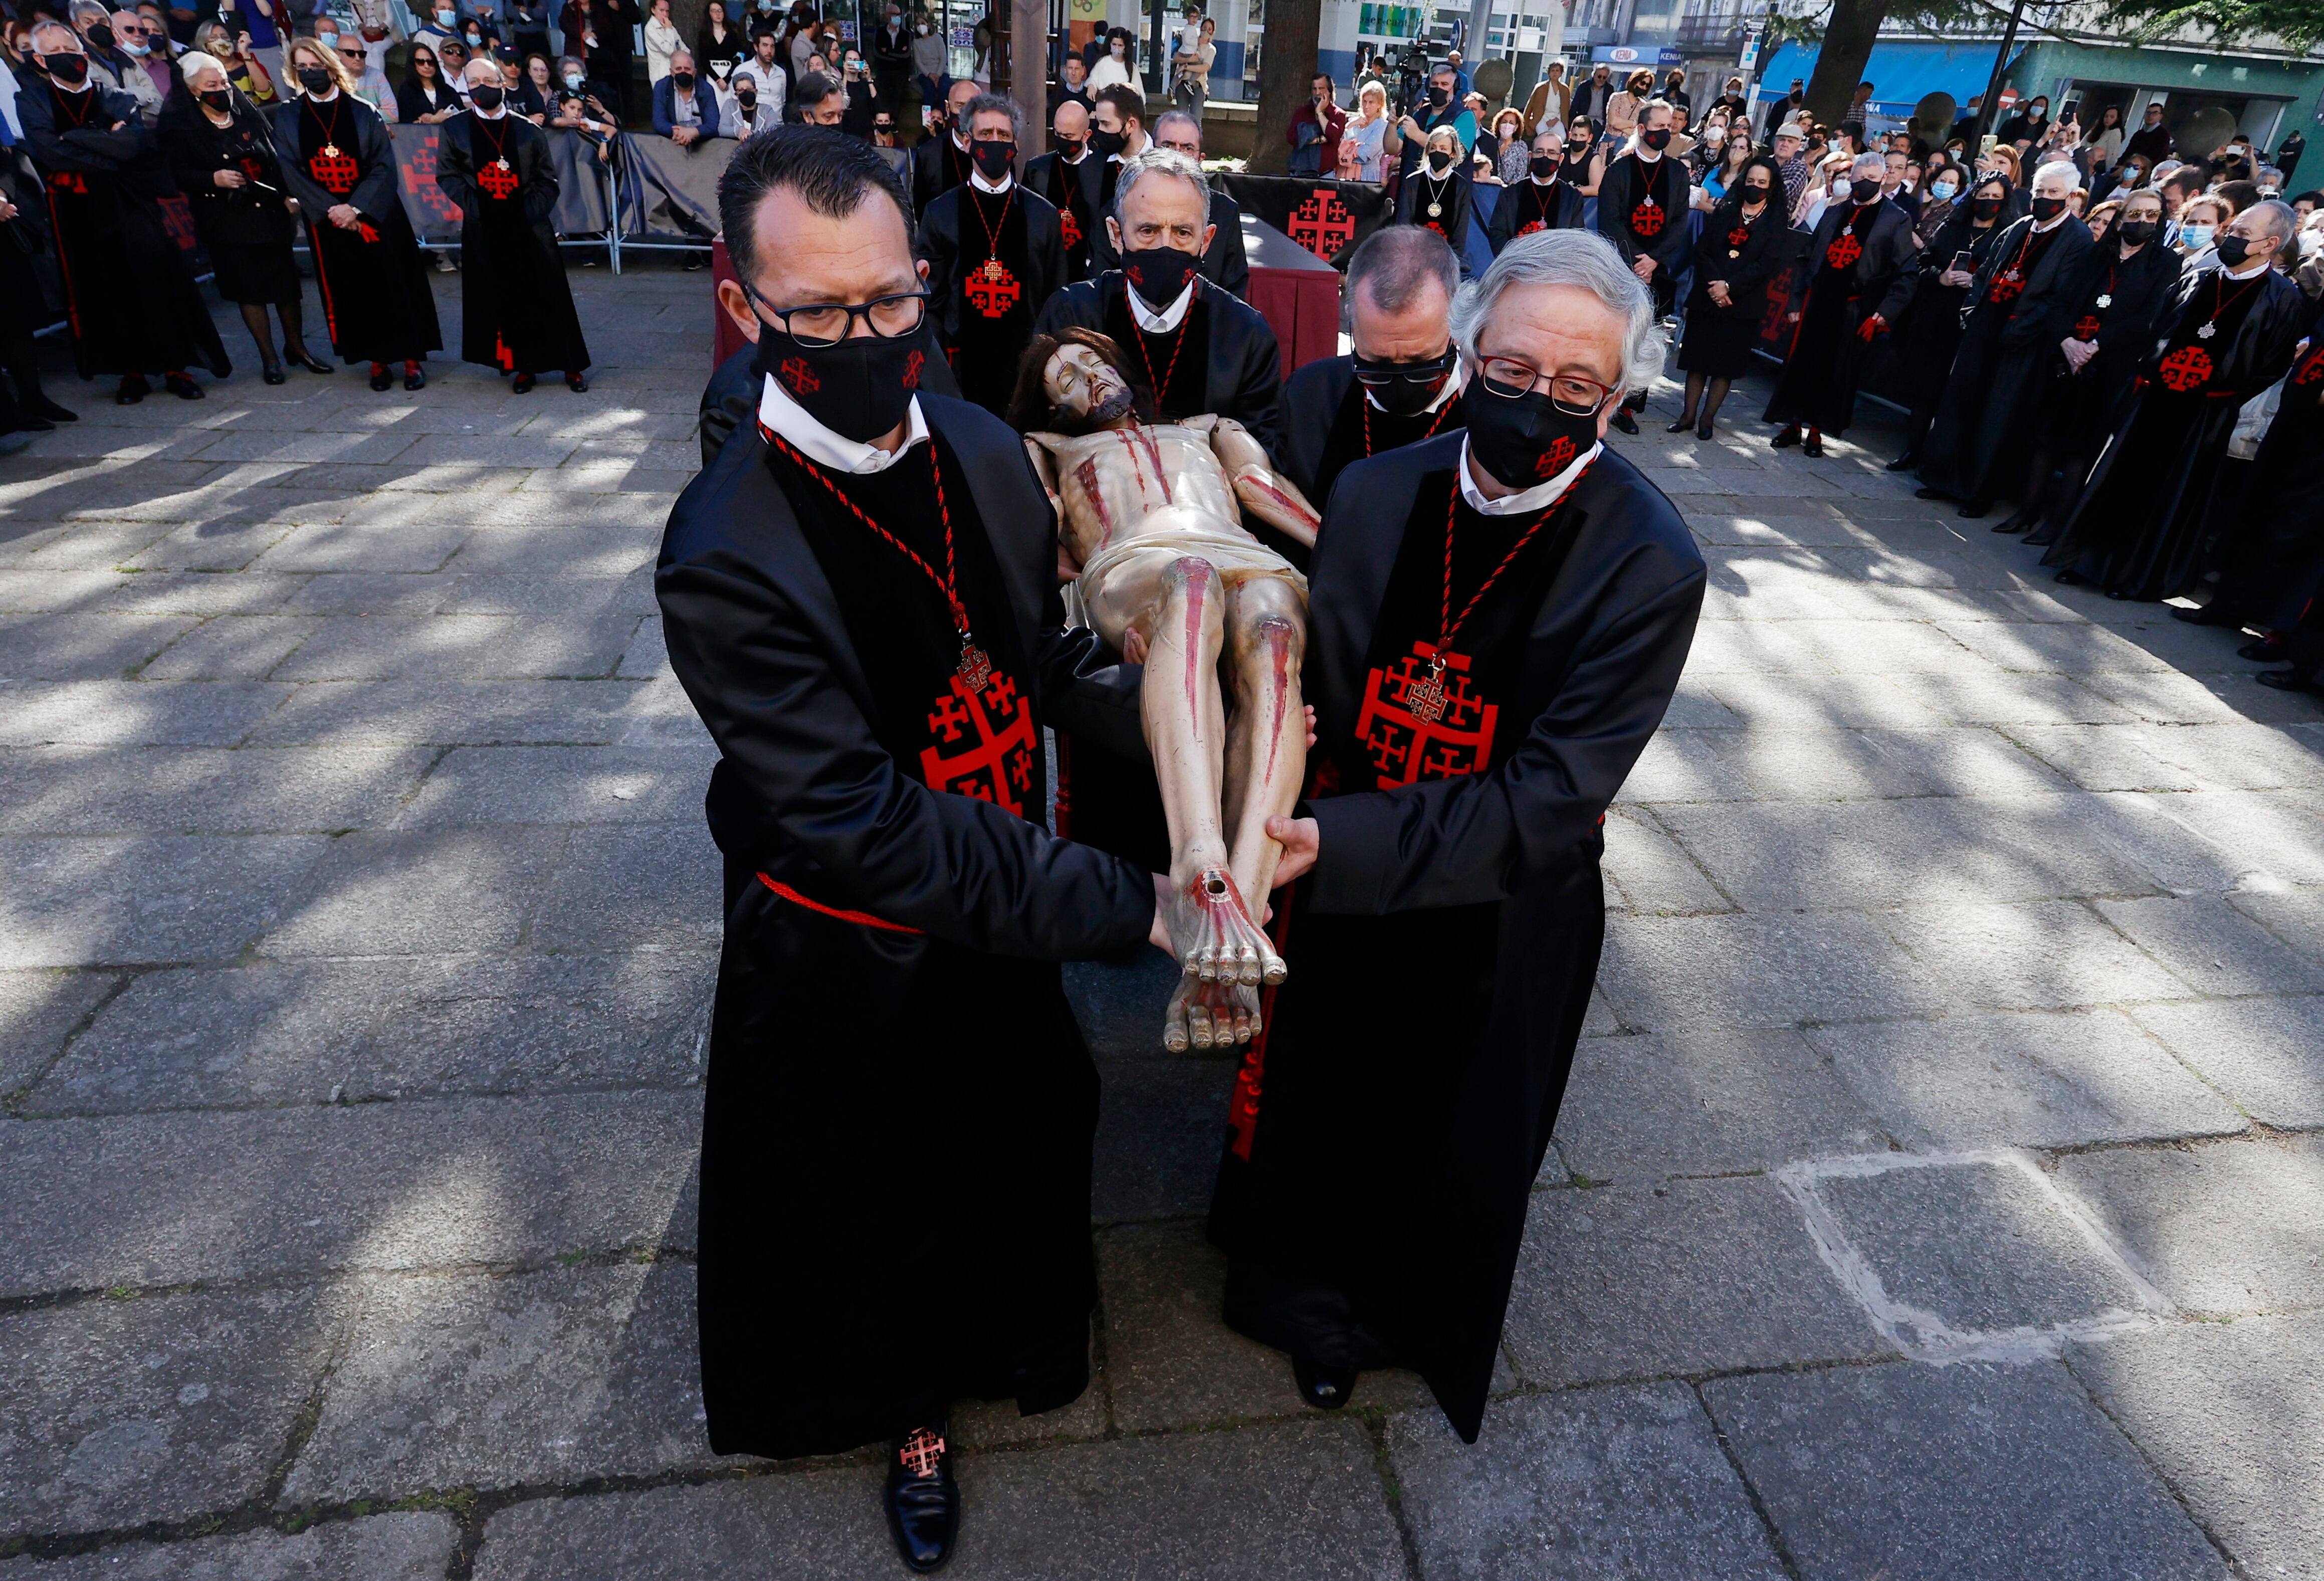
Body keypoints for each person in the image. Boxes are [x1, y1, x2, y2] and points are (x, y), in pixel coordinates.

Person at [668, 125, 1169, 1580]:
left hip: (1007, 881)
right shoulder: (723, 545)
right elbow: (861, 824)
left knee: (1017, 1119)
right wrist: (1134, 903)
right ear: (745, 300)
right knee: (871, 1181)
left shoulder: (971, 444)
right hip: (851, 936)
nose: (863, 337)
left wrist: (1184, 712)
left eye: (888, 301)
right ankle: (906, 1412)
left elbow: (1035, 658)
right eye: (816, 313)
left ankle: (1017, 1329)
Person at [1211, 226, 1703, 1436]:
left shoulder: (1650, 559)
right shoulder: (1381, 490)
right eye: (1514, 368)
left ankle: (1380, 1316)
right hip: (1341, 867)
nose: (1536, 401)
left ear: (1618, 395)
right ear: (1472, 351)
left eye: (1576, 385)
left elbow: (1553, 794)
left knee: (1439, 1129)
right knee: (1323, 1089)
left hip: (1497, 906)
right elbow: (1309, 688)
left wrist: (1346, 838)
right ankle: (1302, 1294)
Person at [2042, 200, 2305, 601]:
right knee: (2120, 480)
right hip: (2155, 399)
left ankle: (2132, 576)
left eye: (2241, 235)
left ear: (2269, 244)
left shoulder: (2281, 297)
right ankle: (2089, 561)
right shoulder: (2198, 278)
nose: (2229, 238)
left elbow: (2271, 363)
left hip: (2203, 414)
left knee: (2167, 495)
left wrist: (2219, 394)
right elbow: (2159, 328)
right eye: (2231, 230)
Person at [20, 18, 228, 404]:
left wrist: (79, 138)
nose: (66, 58)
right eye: (54, 54)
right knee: (105, 291)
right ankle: (130, 372)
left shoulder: (114, 95)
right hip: (79, 211)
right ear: (41, 61)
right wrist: (104, 142)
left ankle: (177, 367)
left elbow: (131, 146)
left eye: (70, 50)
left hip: (131, 203)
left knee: (159, 280)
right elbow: (49, 151)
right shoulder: (31, 99)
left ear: (83, 52)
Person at [1034, 148, 1280, 446]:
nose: (1166, 247)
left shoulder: (1245, 335)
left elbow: (1261, 452)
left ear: (1206, 241)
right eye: (1148, 230)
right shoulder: (1071, 316)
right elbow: (1041, 433)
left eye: (1183, 232)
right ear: (1116, 234)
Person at [1915, 159, 2096, 517]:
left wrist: (2020, 329)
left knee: (1996, 418)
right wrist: (1972, 311)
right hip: (1985, 328)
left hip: (2025, 341)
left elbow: (2061, 296)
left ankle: (1977, 492)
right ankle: (1941, 477)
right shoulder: (2019, 227)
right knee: (1960, 403)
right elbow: (1985, 273)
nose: (2044, 199)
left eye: (2053, 193)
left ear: (2071, 196)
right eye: (2039, 191)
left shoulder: (2078, 238)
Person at [1274, 225, 1465, 555]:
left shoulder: (1487, 409)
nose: (1399, 381)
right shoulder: (1309, 396)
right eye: (1376, 364)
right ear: (1349, 316)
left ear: (1457, 321)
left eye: (1421, 364)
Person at [2006, 187, 2182, 544]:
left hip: (2111, 365)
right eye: (2134, 214)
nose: (2142, 221)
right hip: (2066, 357)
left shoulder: (2164, 262)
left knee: (2080, 448)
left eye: (2151, 215)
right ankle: (2026, 512)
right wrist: (2069, 341)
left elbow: (2149, 318)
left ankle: (2056, 525)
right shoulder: (2094, 255)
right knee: (2045, 436)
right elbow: (2060, 303)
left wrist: (2096, 346)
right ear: (2120, 220)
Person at [273, 33, 442, 391]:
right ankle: (377, 360)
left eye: (315, 65)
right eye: (301, 67)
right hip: (328, 221)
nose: (309, 72)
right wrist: (331, 210)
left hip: (375, 214)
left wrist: (356, 207)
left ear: (330, 68)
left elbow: (383, 166)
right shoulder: (288, 116)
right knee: (356, 291)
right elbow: (290, 170)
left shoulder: (363, 110)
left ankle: (411, 359)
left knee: (395, 284)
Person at [163, 50, 327, 385]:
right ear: (194, 89)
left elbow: (275, 156)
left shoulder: (245, 113)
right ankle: (269, 359)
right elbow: (176, 173)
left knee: (285, 287)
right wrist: (212, 179)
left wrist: (288, 194)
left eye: (223, 82)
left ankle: (297, 348)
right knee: (250, 291)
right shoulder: (181, 126)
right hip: (227, 218)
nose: (221, 89)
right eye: (212, 84)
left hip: (269, 212)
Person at [437, 56, 590, 393]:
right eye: (474, 82)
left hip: (530, 225)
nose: (482, 88)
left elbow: (546, 180)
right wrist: (481, 209)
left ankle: (570, 364)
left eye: (489, 82)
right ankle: (524, 366)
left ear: (502, 85)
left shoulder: (527, 130)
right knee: (505, 297)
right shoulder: (455, 129)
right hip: (484, 226)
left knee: (550, 294)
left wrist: (526, 213)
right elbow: (448, 176)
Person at [1762, 151, 1918, 457]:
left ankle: (1818, 431)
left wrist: (1883, 314)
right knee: (1802, 365)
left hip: (1853, 309)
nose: (1865, 184)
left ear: (1883, 179)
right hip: (1816, 302)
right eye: (1860, 178)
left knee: (1834, 371)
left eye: (1872, 179)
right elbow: (1807, 258)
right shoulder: (1834, 212)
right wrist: (1796, 300)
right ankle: (1793, 424)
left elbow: (1906, 274)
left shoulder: (1896, 219)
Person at [919, 93, 1065, 414]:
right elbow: (932, 302)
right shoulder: (941, 212)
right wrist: (940, 372)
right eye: (986, 135)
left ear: (1015, 145)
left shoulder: (1042, 215)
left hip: (1026, 370)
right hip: (960, 368)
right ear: (968, 141)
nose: (995, 142)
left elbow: (1055, 296)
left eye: (1004, 135)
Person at [1886, 173, 2012, 472]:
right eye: (1984, 197)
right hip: (1937, 321)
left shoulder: (2007, 236)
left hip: (1973, 328)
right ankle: (1913, 450)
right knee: (1924, 392)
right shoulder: (1953, 227)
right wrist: (1942, 277)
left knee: (1956, 398)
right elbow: (1921, 266)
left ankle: (1940, 460)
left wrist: (1977, 282)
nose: (1989, 204)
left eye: (1996, 199)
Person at [1671, 153, 1784, 439]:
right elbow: (1703, 249)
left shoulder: (1775, 221)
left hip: (1742, 303)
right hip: (1708, 295)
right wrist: (1715, 285)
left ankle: (1707, 420)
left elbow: (1766, 265)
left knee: (1724, 366)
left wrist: (1729, 287)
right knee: (1697, 360)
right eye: (1751, 180)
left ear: (1770, 187)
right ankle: (1687, 416)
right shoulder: (1727, 209)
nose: (1755, 186)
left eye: (1762, 182)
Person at [1593, 98, 1687, 432]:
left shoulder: (1677, 173)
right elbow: (1610, 219)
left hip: (1656, 267)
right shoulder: (1619, 170)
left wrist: (1655, 259)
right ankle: (1603, 396)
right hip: (1623, 266)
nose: (1666, 131)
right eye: (1659, 126)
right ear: (1642, 129)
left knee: (1646, 335)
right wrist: (1635, 261)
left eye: (1670, 126)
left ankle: (1630, 407)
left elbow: (1679, 221)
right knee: (1617, 334)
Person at [1139, 108, 1247, 297]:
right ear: (1152, 152)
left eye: (1188, 148)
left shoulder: (1225, 212)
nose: (1177, 155)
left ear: (1200, 159)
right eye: (1168, 146)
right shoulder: (1127, 206)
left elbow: (1234, 287)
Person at [1026, 97, 1099, 279]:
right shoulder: (1037, 169)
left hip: (1086, 272)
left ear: (1086, 136)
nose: (1062, 141)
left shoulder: (1101, 172)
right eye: (1058, 134)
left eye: (1068, 137)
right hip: (1046, 268)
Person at [1485, 123, 1583, 255]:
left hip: (1555, 270)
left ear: (1561, 159)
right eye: (1540, 151)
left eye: (1552, 153)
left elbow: (1575, 240)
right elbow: (1498, 233)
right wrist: (1513, 261)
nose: (1545, 157)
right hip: (1516, 266)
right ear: (1530, 156)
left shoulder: (1572, 198)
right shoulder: (1510, 194)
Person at [1397, 124, 1472, 258]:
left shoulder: (1461, 186)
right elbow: (1404, 223)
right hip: (1414, 255)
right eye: (1433, 148)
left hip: (1445, 258)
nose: (1437, 152)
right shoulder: (1413, 181)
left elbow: (1460, 231)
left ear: (1453, 153)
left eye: (1443, 149)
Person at [1394, 62, 1472, 186]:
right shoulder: (1420, 115)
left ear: (1455, 87)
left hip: (1447, 190)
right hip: (1413, 188)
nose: (1439, 88)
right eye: (1435, 84)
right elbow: (1393, 148)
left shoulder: (1465, 116)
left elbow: (1457, 152)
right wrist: (1392, 124)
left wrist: (1417, 135)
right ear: (1428, 86)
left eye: (1444, 84)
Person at [559, 0, 637, 120]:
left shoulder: (599, 5)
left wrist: (595, 34)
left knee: (603, 90)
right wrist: (582, 34)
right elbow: (565, 25)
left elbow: (608, 26)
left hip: (598, 57)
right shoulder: (570, 7)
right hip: (578, 53)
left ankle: (608, 118)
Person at [911, 76, 978, 214]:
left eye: (972, 107)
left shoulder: (994, 150)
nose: (966, 114)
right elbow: (922, 210)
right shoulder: (928, 154)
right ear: (948, 108)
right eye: (960, 106)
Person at [654, 47, 721, 143]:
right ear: (672, 72)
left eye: (687, 69)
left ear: (694, 73)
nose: (683, 72)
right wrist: (680, 133)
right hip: (673, 143)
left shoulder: (706, 89)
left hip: (703, 144)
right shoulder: (661, 88)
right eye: (678, 69)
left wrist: (694, 132)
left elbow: (713, 124)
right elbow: (659, 122)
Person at [1288, 72, 1344, 177]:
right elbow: (1291, 137)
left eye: (1321, 88)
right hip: (1301, 173)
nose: (1317, 92)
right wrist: (1318, 140)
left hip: (1326, 175)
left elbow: (1335, 137)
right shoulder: (1302, 112)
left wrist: (1320, 113)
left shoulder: (1338, 114)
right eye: (1314, 89)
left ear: (1329, 91)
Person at [397, 41, 461, 120]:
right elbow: (405, 123)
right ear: (413, 64)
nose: (427, 66)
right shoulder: (406, 90)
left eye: (430, 62)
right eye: (420, 62)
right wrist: (433, 120)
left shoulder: (448, 91)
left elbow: (462, 116)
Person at [1342, 78, 1391, 181]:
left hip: (1368, 178)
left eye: (1371, 102)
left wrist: (1348, 151)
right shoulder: (1354, 122)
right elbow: (1340, 146)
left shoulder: (1383, 126)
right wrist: (1352, 124)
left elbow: (1366, 154)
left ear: (1380, 104)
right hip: (1347, 175)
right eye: (1364, 102)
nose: (1367, 106)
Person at [732, 27, 788, 108]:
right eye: (765, 45)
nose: (769, 50)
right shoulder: (742, 70)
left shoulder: (781, 73)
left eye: (772, 46)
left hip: (777, 121)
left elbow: (782, 101)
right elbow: (734, 102)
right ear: (756, 47)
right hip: (752, 120)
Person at [1171, 13, 1212, 119]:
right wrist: (1189, 60)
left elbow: (1204, 68)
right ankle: (1172, 88)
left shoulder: (1211, 49)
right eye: (1204, 27)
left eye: (1209, 29)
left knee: (1195, 120)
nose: (1206, 31)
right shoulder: (1191, 43)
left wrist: (1185, 67)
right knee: (1181, 118)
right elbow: (1176, 58)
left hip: (1198, 86)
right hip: (1182, 84)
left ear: (1212, 32)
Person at [1519, 59, 1567, 139]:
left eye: (1557, 71)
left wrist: (1557, 119)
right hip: (1541, 118)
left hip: (1556, 119)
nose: (1555, 73)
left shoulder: (1565, 89)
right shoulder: (1540, 87)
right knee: (1543, 137)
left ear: (1561, 73)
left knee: (1562, 137)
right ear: (1549, 73)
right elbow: (1530, 105)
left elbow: (1565, 110)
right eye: (1552, 71)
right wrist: (1525, 122)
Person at [2124, 100, 2173, 167]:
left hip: (2147, 172)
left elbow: (2155, 158)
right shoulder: (2139, 134)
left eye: (2155, 113)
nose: (2151, 116)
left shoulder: (2163, 135)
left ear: (2161, 116)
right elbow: (2128, 153)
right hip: (2131, 168)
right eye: (2148, 113)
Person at [643, 0, 681, 84]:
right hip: (660, 76)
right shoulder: (650, 29)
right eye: (662, 10)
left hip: (676, 74)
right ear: (653, 10)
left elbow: (683, 47)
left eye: (667, 11)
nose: (665, 15)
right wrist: (668, 30)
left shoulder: (670, 27)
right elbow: (668, 50)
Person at [1087, 24, 1133, 93]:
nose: (1117, 48)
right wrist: (1091, 86)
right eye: (1114, 44)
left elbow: (1140, 94)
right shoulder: (1102, 62)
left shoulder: (1131, 67)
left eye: (1120, 45)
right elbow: (1093, 79)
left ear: (1126, 47)